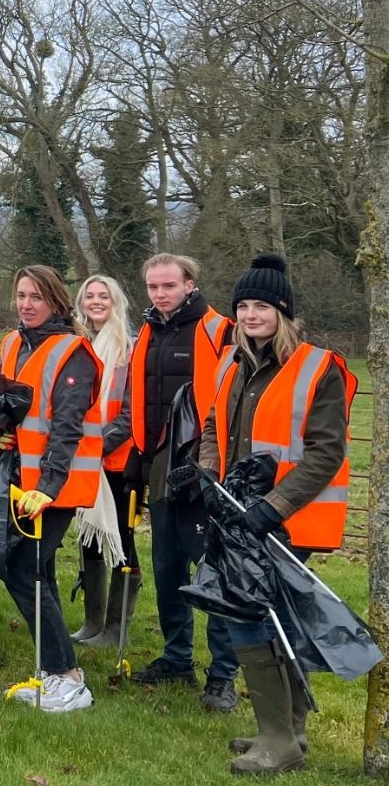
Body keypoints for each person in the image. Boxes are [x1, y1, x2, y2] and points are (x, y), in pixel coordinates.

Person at [198, 254, 352, 776]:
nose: (248, 314)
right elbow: (214, 425)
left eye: (260, 305)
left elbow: (326, 451)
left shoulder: (317, 366)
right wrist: (205, 478)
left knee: (257, 620)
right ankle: (288, 731)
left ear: (282, 311)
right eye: (242, 305)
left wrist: (274, 507)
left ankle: (279, 737)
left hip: (286, 520)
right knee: (263, 619)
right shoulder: (233, 362)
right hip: (237, 515)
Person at [104, 253, 239, 709]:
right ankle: (177, 658)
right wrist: (139, 460)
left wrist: (213, 463)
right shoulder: (147, 334)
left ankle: (223, 674)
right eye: (153, 287)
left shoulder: (219, 330)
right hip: (158, 461)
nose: (160, 294)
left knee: (214, 570)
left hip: (207, 463)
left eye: (169, 286)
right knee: (166, 566)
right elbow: (141, 401)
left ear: (190, 284)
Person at [0, 264, 103, 713]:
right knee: (36, 572)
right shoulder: (13, 343)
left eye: (36, 297)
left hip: (55, 483)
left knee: (25, 568)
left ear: (57, 300)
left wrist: (49, 485)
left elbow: (67, 425)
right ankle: (53, 669)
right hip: (20, 480)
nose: (27, 304)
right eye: (21, 295)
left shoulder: (73, 352)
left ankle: (69, 677)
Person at [71, 275, 137, 649]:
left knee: (121, 541)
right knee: (89, 539)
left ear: (116, 301)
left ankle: (116, 628)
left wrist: (96, 447)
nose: (96, 302)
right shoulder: (81, 347)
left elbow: (130, 413)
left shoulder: (130, 348)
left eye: (103, 296)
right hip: (83, 461)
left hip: (117, 462)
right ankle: (93, 622)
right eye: (89, 296)